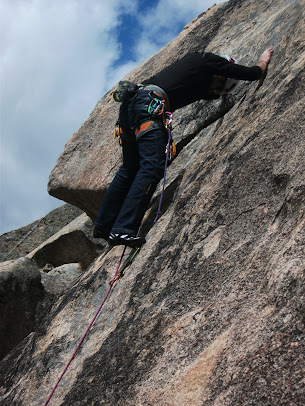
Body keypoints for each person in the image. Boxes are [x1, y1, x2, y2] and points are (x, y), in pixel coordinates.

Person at [93, 47, 274, 247]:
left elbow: (210, 94)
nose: (216, 89)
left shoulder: (195, 79)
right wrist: (262, 62)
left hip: (131, 106)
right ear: (222, 72)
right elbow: (251, 73)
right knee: (152, 166)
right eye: (220, 83)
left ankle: (104, 224)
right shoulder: (208, 60)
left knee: (129, 168)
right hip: (149, 105)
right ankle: (122, 229)